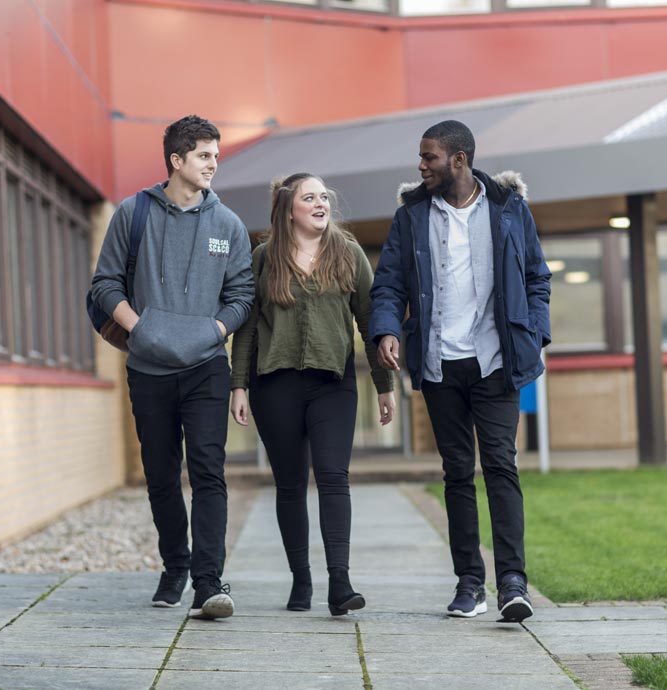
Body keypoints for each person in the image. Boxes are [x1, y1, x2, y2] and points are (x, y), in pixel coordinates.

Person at [369, 120, 551, 623]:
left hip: (496, 361)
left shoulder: (509, 208)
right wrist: (387, 330)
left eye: (429, 157)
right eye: (421, 158)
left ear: (459, 160)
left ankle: (513, 582)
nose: (421, 166)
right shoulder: (410, 217)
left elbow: (537, 277)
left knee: (501, 466)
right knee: (456, 473)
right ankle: (470, 583)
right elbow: (386, 285)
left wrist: (535, 334)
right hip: (440, 363)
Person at [90, 115, 254, 620]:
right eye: (204, 156)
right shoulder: (132, 213)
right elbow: (105, 285)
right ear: (176, 160)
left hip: (206, 366)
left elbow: (242, 293)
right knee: (161, 475)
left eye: (215, 157)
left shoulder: (227, 224)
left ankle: (208, 582)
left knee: (209, 472)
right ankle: (174, 566)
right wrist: (141, 330)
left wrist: (215, 332)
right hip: (149, 369)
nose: (213, 165)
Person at [230, 172, 395, 616]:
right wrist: (239, 385)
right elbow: (246, 326)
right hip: (274, 384)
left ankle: (339, 583)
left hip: (333, 385)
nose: (321, 203)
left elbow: (370, 321)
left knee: (333, 476)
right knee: (289, 484)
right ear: (289, 210)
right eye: (310, 197)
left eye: (324, 196)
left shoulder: (349, 254)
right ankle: (300, 579)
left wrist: (384, 385)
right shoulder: (264, 258)